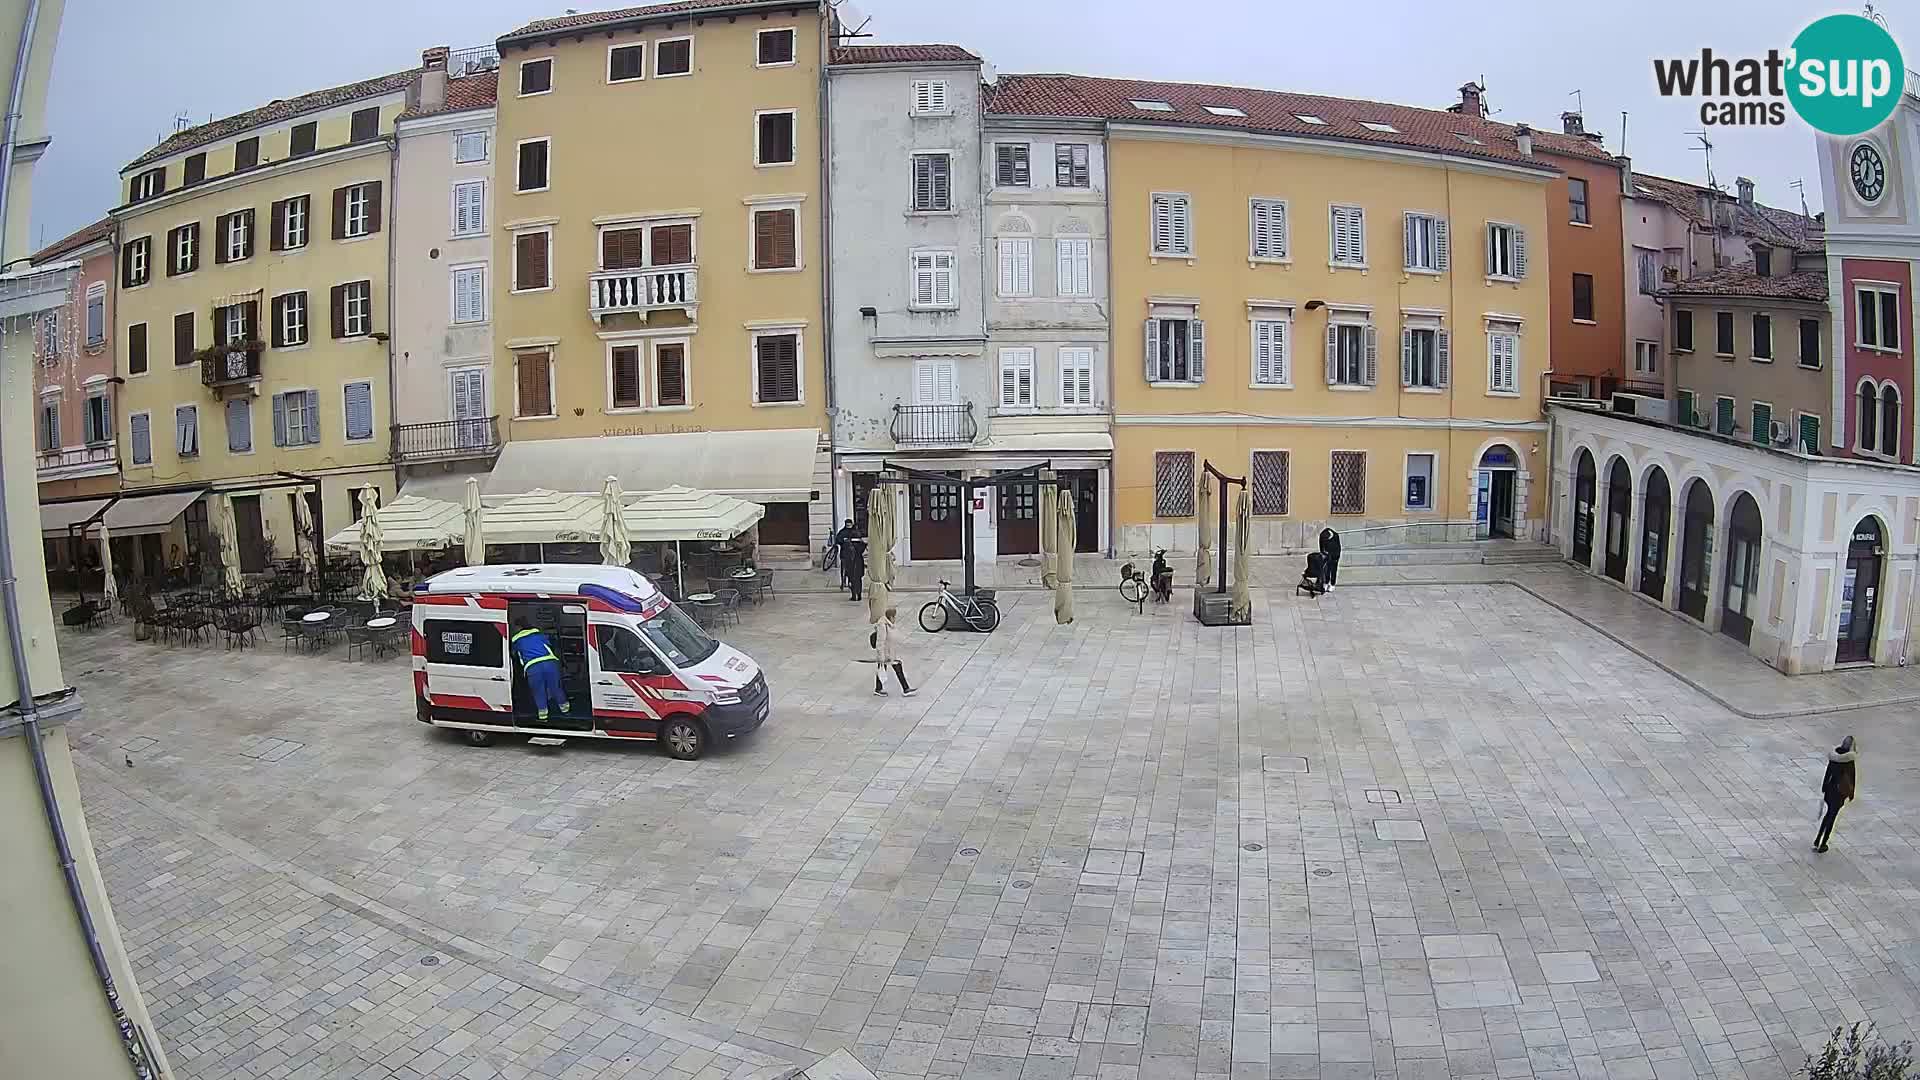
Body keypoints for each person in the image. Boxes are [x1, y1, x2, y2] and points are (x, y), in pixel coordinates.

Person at [509, 616, 570, 721]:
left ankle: (543, 717)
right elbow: (550, 645)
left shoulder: (516, 639)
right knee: (556, 687)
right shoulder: (539, 633)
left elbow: (514, 654)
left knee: (538, 690)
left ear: (517, 627)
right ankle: (566, 712)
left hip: (533, 667)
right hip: (550, 663)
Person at [1814, 735, 1858, 853]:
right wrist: (1851, 793)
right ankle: (1823, 843)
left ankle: (1818, 839)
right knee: (1832, 817)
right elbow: (1852, 777)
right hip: (1839, 793)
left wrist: (1824, 787)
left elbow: (1828, 773)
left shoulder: (1834, 758)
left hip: (1830, 790)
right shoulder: (1849, 760)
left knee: (1828, 814)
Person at [872, 605, 915, 697]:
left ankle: (904, 688)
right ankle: (905, 689)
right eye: (894, 617)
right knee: (885, 669)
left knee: (887, 669)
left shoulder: (889, 625)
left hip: (891, 653)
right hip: (886, 654)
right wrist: (881, 656)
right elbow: (880, 642)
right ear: (891, 617)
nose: (895, 619)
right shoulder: (882, 625)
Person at [833, 518, 857, 587]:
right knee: (845, 568)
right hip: (846, 553)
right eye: (848, 525)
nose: (849, 526)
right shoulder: (843, 532)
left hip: (850, 553)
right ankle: (844, 581)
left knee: (849, 568)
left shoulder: (853, 531)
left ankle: (848, 581)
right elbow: (838, 539)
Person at [845, 536, 867, 601]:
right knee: (859, 580)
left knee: (852, 580)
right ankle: (859, 595)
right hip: (859, 563)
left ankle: (854, 595)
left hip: (851, 563)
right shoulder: (861, 545)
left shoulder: (848, 544)